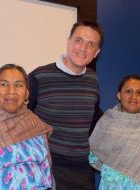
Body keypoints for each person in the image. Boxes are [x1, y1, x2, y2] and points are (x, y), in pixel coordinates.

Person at [28, 20, 104, 189]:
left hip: (83, 170)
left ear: (96, 53)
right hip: (48, 166)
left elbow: (94, 120)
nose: (83, 48)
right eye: (78, 40)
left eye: (90, 44)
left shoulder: (93, 80)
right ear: (68, 41)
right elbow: (15, 108)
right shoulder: (39, 77)